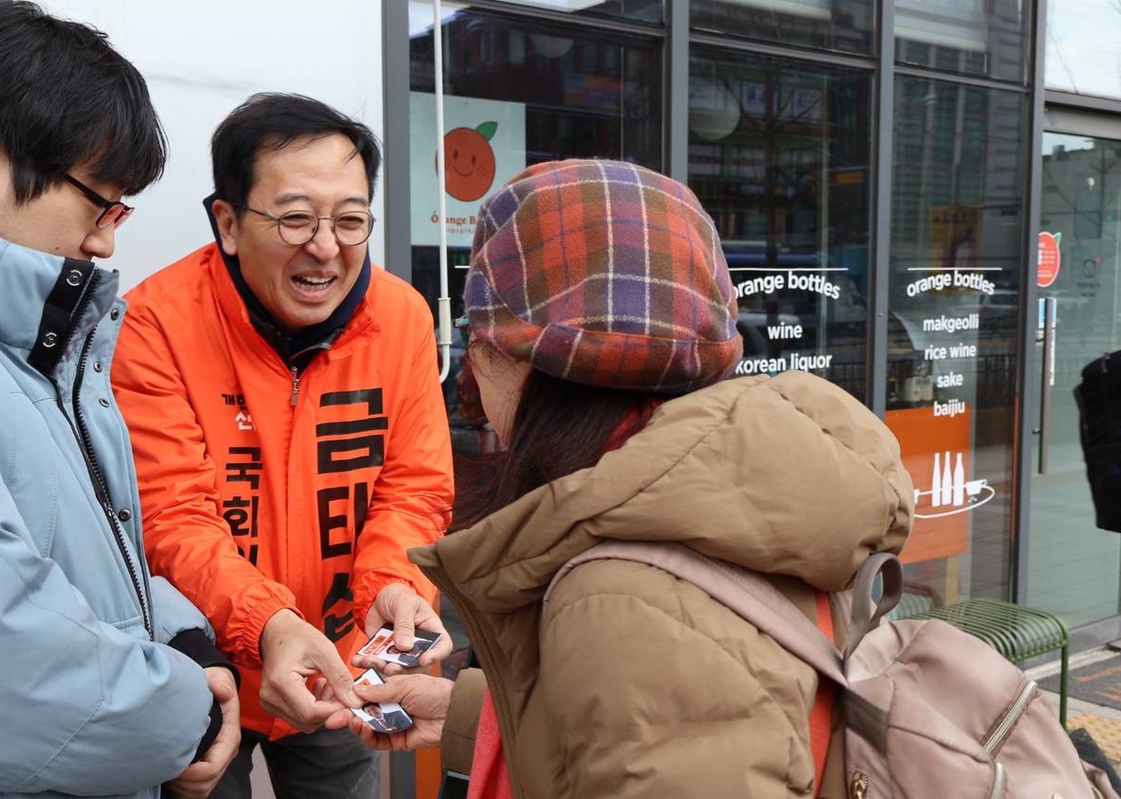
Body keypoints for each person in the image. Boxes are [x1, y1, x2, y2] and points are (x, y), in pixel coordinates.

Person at [331, 159, 915, 797]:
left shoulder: (618, 592)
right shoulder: (736, 492)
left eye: (476, 335)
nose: (468, 363)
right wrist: (461, 712)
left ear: (517, 355)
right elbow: (671, 725)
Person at [0, 4, 241, 799]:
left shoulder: (27, 343)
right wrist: (187, 718)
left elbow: (88, 554)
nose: (104, 241)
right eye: (101, 202)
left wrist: (185, 638)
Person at [112, 93, 455, 799]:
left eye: (351, 219)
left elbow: (414, 487)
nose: (326, 247)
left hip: (340, 665)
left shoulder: (403, 317)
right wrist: (267, 625)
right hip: (205, 674)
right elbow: (172, 515)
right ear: (229, 223)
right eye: (296, 217)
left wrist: (392, 585)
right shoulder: (153, 324)